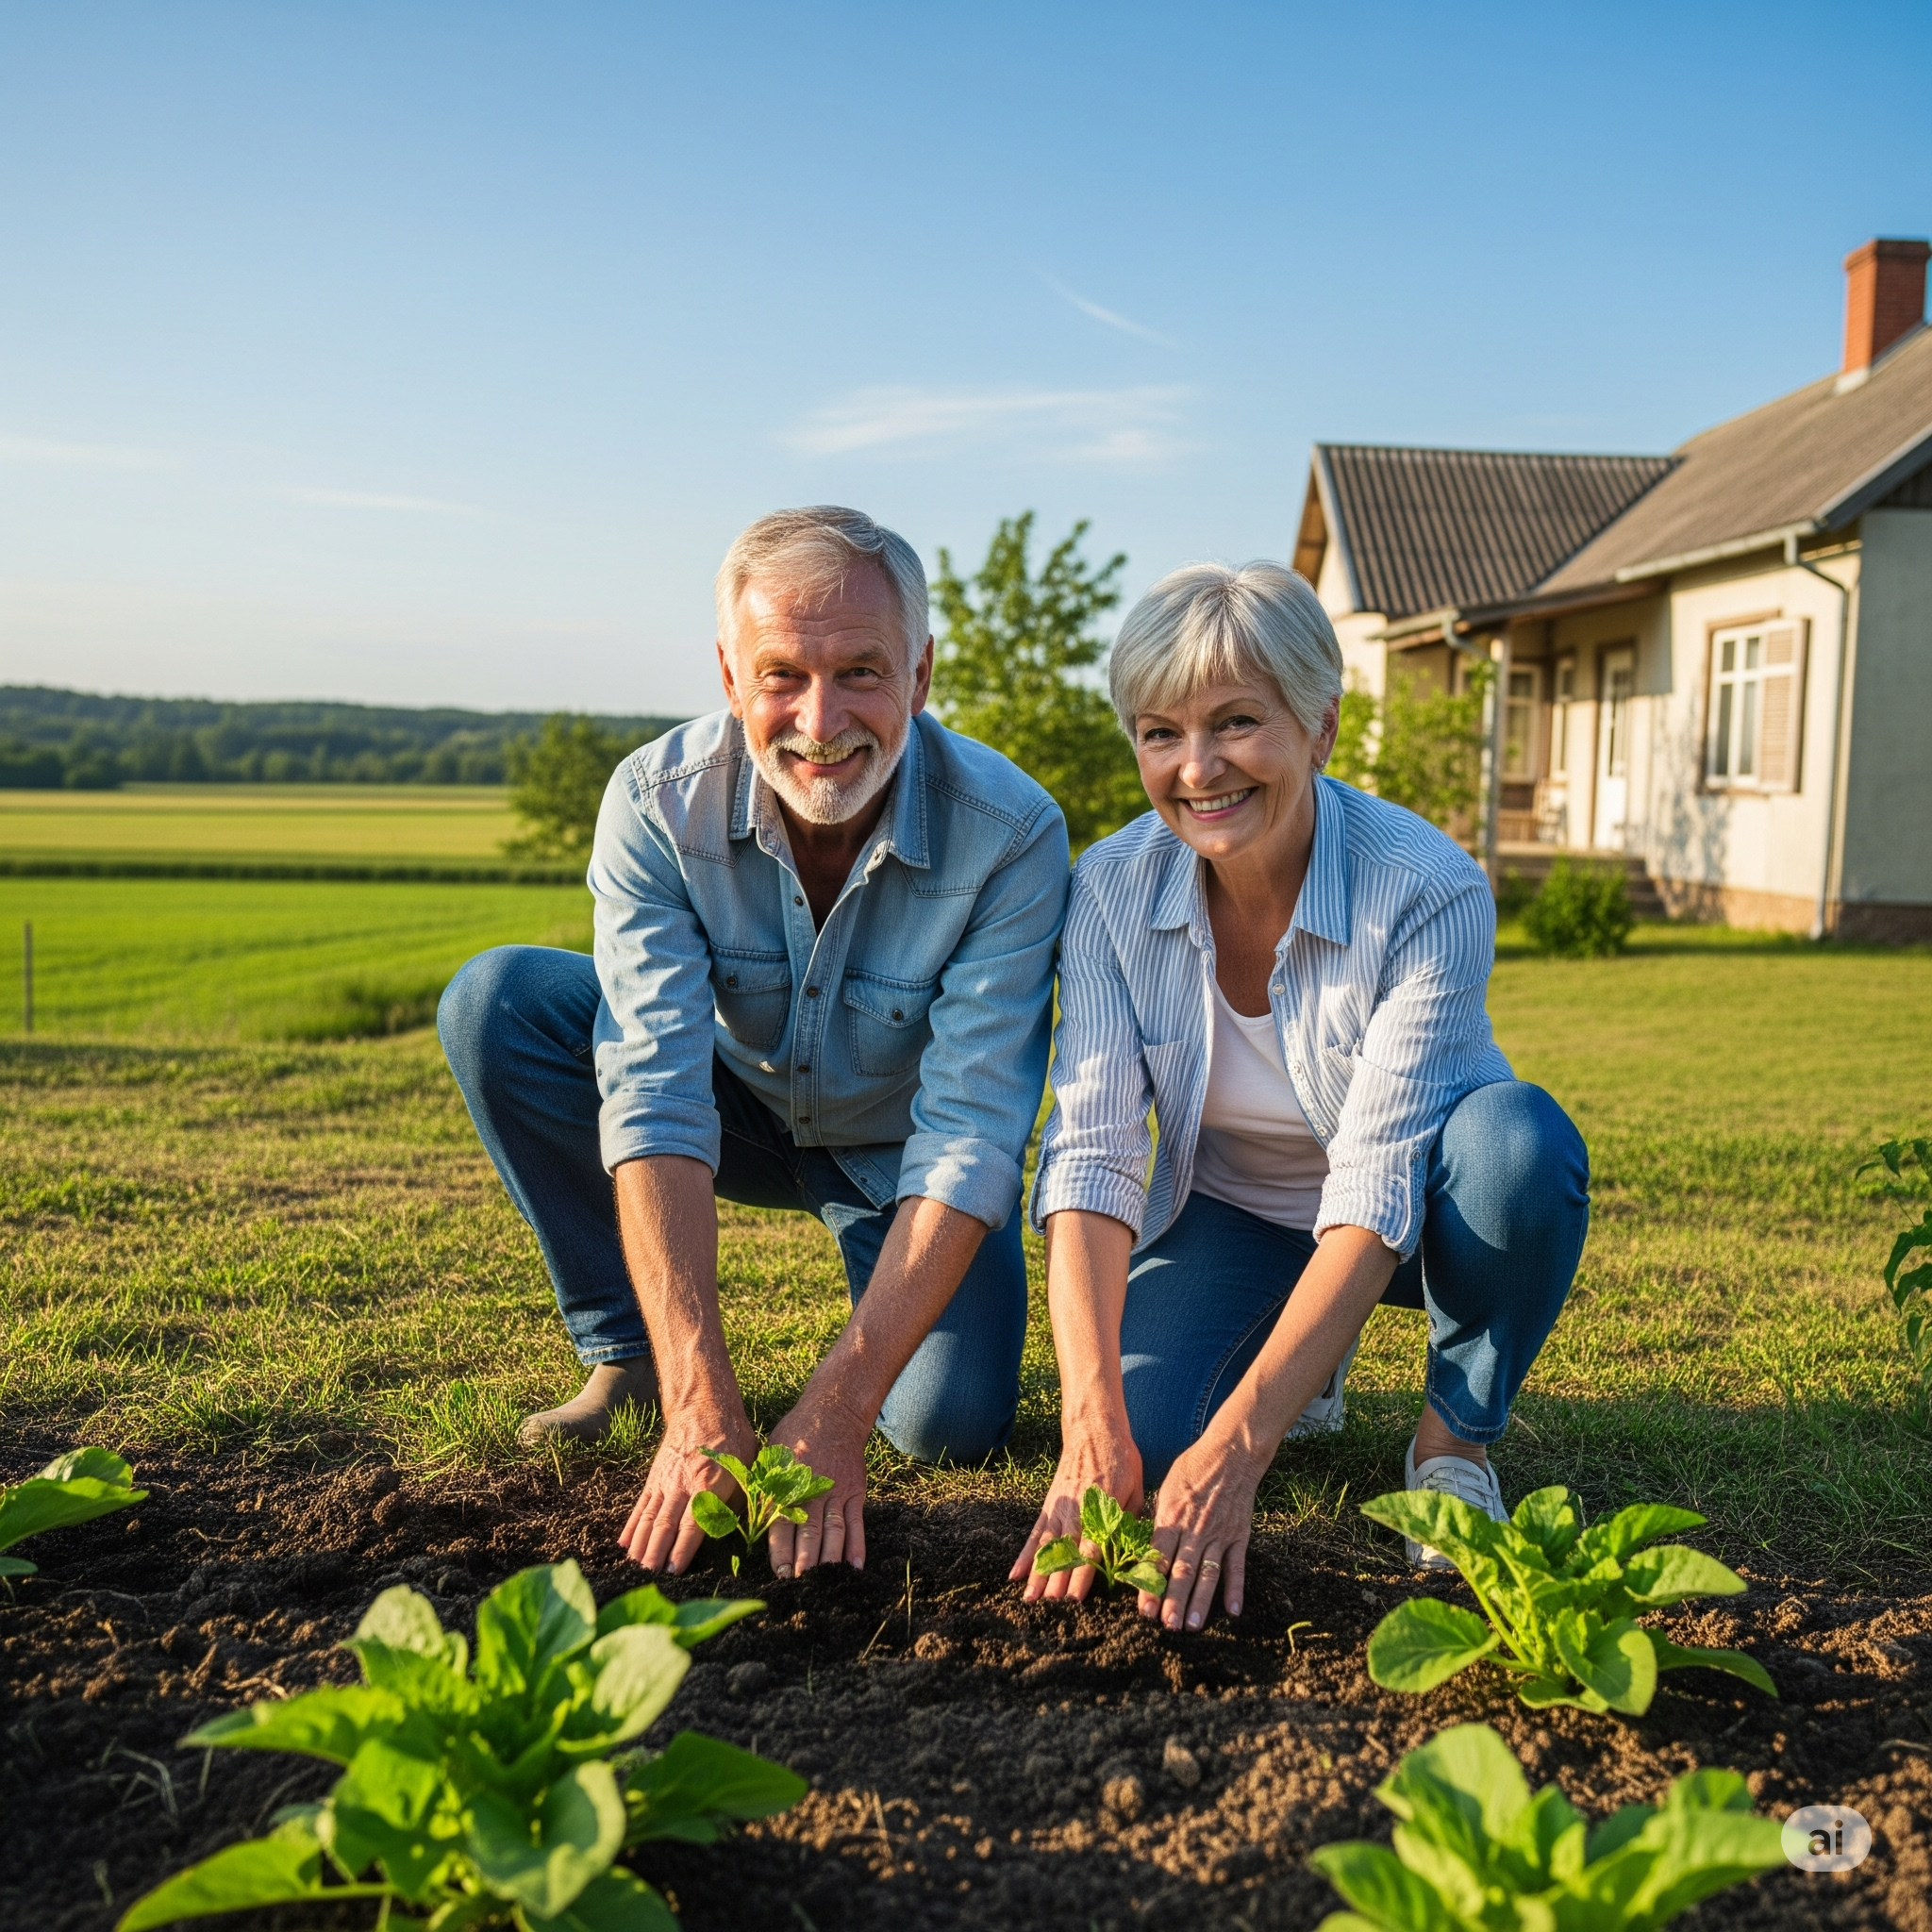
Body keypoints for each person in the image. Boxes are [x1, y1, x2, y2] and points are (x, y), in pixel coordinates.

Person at [441, 507, 1069, 1579]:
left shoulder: (1011, 833)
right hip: (731, 1104)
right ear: (729, 675)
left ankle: (855, 1357)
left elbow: (969, 1131)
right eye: (781, 673)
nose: (819, 719)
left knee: (946, 1424)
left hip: (896, 1149)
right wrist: (701, 1394)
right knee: (498, 1001)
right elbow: (652, 1087)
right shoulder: (655, 803)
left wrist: (836, 1403)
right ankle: (632, 1358)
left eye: (861, 671)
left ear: (920, 673)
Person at [1009, 561, 1588, 1630]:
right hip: (1236, 1214)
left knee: (1519, 1146)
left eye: (1236, 721)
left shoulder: (1428, 887)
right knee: (1143, 1440)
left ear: (1318, 728)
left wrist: (1243, 1443)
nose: (1197, 767)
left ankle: (1449, 1444)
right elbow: (1088, 1151)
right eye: (1158, 732)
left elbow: (1372, 1187)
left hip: (1430, 1216)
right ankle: (1301, 1368)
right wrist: (1087, 1420)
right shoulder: (1106, 889)